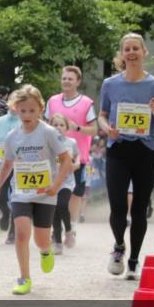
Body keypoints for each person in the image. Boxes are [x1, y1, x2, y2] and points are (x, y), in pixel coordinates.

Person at [97, 32, 154, 280]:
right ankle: (119, 246)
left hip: (145, 150)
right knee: (118, 205)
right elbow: (102, 115)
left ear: (144, 53)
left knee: (140, 207)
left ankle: (133, 261)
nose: (131, 53)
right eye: (126, 49)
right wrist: (108, 129)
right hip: (118, 148)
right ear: (122, 54)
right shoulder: (110, 84)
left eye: (135, 49)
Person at [0, 86, 72, 295]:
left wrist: (56, 185)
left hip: (45, 193)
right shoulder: (12, 136)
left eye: (32, 111)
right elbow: (7, 165)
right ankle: (24, 278)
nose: (26, 115)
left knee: (41, 239)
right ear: (16, 109)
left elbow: (66, 160)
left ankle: (45, 250)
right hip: (21, 193)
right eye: (23, 110)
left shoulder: (49, 133)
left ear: (40, 110)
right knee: (22, 234)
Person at [46, 66, 98, 238]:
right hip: (54, 158)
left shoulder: (86, 103)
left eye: (70, 78)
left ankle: (72, 227)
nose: (66, 81)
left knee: (75, 194)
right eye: (64, 78)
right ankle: (56, 229)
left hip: (78, 157)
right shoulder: (52, 101)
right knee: (55, 193)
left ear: (78, 82)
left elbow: (94, 129)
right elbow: (46, 126)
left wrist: (76, 127)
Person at [0, 103, 20, 244]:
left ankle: (12, 232)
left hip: (17, 166)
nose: (15, 106)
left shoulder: (23, 121)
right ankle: (6, 212)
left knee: (16, 199)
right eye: (13, 102)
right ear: (8, 104)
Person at [48, 113, 80, 255]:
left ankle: (68, 230)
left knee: (62, 205)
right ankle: (58, 243)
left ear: (67, 128)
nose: (58, 128)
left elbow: (78, 156)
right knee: (55, 210)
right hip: (52, 181)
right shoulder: (47, 142)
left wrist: (77, 163)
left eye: (61, 125)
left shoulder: (71, 142)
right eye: (55, 125)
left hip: (67, 181)